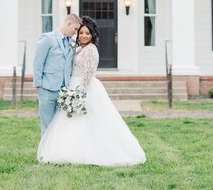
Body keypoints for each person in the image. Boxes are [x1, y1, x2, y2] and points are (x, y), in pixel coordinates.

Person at [37, 16, 146, 166]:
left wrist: (78, 94)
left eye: (87, 33)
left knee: (86, 122)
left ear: (92, 35)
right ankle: (63, 151)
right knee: (70, 123)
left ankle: (85, 152)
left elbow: (88, 75)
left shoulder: (91, 51)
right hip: (70, 86)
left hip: (83, 89)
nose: (83, 35)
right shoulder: (78, 47)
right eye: (81, 32)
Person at [33, 13, 82, 135]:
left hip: (64, 90)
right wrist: (38, 85)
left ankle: (56, 153)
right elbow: (38, 62)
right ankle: (45, 153)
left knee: (59, 125)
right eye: (75, 29)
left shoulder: (72, 42)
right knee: (47, 125)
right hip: (47, 88)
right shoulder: (47, 38)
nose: (76, 33)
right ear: (69, 23)